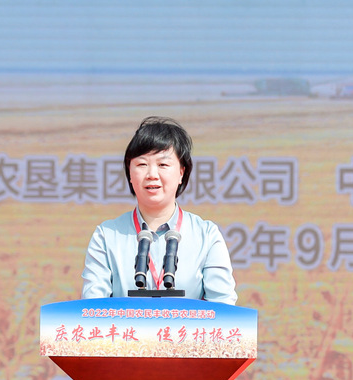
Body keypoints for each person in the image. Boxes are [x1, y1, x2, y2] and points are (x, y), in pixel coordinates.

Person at [81, 116, 237, 305]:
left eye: (163, 165)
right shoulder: (106, 236)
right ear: (129, 173)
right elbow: (92, 308)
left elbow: (224, 307)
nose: (152, 174)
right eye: (142, 164)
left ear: (181, 173)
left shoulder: (206, 235)